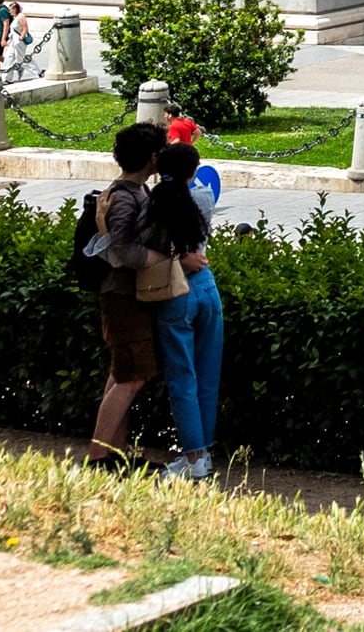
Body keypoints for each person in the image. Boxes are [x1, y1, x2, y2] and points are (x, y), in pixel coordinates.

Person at [83, 124, 163, 466]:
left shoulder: (134, 190)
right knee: (133, 378)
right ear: (152, 157)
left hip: (126, 296)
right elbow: (124, 252)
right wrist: (166, 260)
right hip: (122, 296)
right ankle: (100, 458)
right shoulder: (124, 197)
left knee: (123, 374)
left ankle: (115, 454)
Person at [143, 138, 222, 481]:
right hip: (207, 286)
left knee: (182, 379)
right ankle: (204, 453)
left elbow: (142, 242)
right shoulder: (203, 198)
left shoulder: (154, 202)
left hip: (176, 291)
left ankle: (193, 458)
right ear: (193, 170)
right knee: (207, 377)